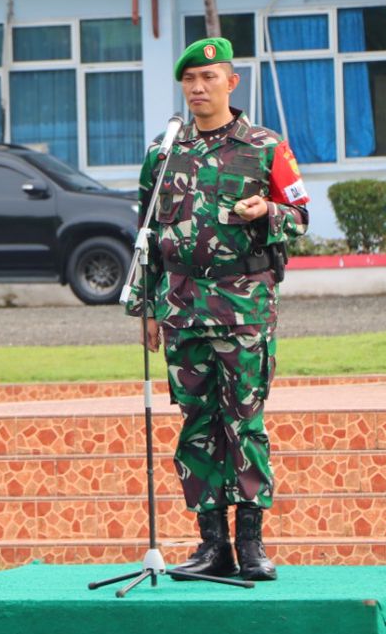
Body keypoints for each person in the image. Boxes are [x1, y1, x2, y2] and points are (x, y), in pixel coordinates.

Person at [126, 38, 309, 583]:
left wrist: (267, 211)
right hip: (181, 308)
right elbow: (147, 232)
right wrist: (147, 309)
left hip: (243, 307)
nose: (198, 88)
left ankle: (251, 542)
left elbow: (300, 215)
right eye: (190, 80)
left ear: (232, 82)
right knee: (197, 424)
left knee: (244, 421)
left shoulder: (264, 146)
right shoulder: (164, 152)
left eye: (209, 77)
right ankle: (211, 544)